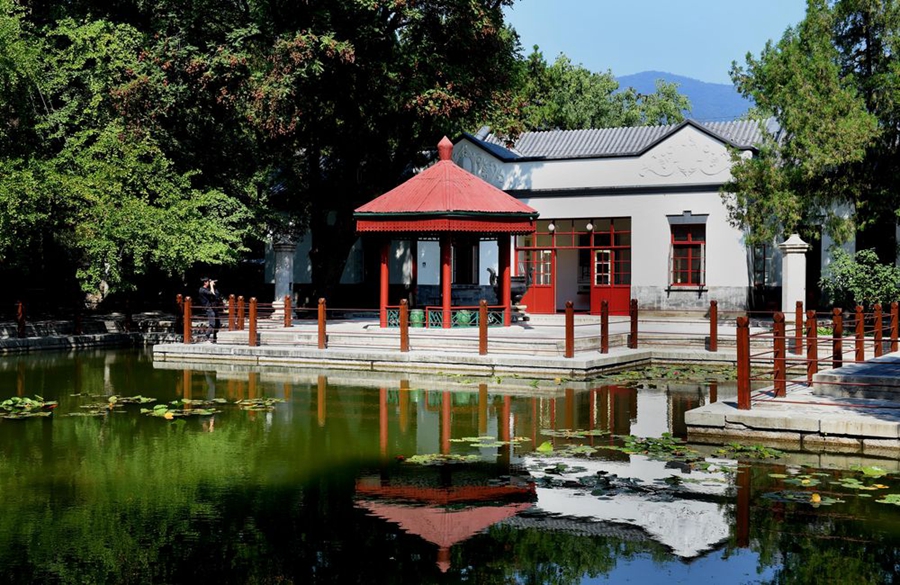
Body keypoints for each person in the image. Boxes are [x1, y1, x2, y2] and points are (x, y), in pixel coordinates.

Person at [198, 277, 221, 342]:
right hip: (208, 308)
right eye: (208, 282)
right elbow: (212, 293)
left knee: (217, 323)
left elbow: (216, 295)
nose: (210, 283)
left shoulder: (208, 289)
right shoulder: (202, 290)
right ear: (205, 282)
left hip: (213, 307)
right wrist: (211, 285)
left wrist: (213, 286)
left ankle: (214, 338)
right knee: (212, 323)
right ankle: (206, 337)